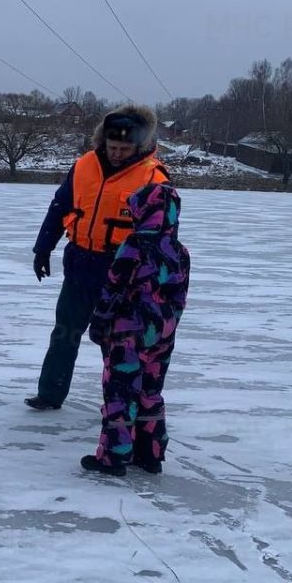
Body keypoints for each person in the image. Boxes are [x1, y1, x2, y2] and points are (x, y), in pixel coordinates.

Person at [26, 104, 167, 411]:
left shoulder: (152, 178)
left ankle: (119, 407)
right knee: (64, 334)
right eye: (112, 146)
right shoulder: (83, 165)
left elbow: (162, 237)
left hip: (123, 277)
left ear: (139, 145)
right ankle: (50, 394)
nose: (117, 153)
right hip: (80, 267)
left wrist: (155, 279)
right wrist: (42, 248)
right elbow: (59, 208)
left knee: (118, 347)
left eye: (124, 148)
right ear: (103, 141)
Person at [82, 182, 190, 477]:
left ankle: (113, 456)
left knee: (120, 391)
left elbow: (114, 287)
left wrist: (100, 322)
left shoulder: (135, 245)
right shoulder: (180, 252)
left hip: (128, 332)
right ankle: (150, 453)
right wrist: (167, 327)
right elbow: (180, 299)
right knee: (151, 392)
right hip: (163, 333)